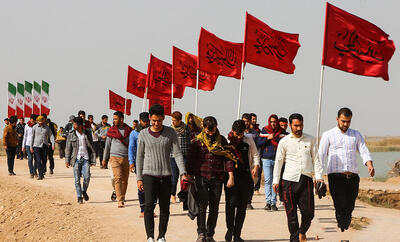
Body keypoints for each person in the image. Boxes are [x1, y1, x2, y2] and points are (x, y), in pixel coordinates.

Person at [136, 104, 188, 242]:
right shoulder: (143, 134)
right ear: (150, 119)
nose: (156, 123)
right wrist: (139, 178)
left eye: (159, 120)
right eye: (153, 120)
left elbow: (177, 153)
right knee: (148, 205)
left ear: (163, 118)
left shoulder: (170, 133)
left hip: (165, 175)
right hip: (148, 175)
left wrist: (183, 172)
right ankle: (150, 236)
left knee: (165, 208)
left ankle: (161, 236)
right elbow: (139, 156)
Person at [319, 107, 375, 232]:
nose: (345, 124)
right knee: (340, 203)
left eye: (348, 121)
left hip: (353, 177)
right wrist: (319, 176)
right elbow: (321, 156)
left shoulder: (356, 134)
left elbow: (363, 150)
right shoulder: (328, 135)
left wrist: (369, 164)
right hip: (336, 176)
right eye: (343, 121)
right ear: (337, 119)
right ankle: (342, 226)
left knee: (350, 205)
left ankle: (345, 222)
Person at [273, 113, 323, 242]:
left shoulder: (310, 139)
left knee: (309, 213)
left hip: (306, 180)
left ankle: (302, 231)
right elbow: (278, 162)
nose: (298, 128)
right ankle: (294, 239)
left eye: (300, 125)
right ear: (290, 125)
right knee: (291, 215)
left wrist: (319, 178)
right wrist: (275, 181)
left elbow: (316, 159)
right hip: (288, 181)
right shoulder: (284, 141)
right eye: (296, 125)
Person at [187, 116, 235, 242]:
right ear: (203, 128)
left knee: (215, 207)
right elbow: (191, 160)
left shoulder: (222, 141)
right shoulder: (197, 142)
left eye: (212, 130)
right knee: (202, 206)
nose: (210, 133)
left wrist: (230, 176)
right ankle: (201, 233)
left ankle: (210, 234)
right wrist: (188, 177)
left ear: (216, 127)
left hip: (218, 177)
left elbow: (228, 158)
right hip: (201, 176)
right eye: (208, 131)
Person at [225, 120, 260, 242]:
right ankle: (230, 230)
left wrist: (256, 166)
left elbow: (255, 155)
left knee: (242, 207)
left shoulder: (248, 140)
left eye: (241, 134)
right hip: (231, 178)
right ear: (232, 131)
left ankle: (237, 234)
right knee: (230, 204)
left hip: (245, 177)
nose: (239, 136)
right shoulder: (227, 141)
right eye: (237, 134)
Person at [102, 111, 132, 208]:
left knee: (125, 180)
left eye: (115, 119)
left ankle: (122, 196)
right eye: (113, 119)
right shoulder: (111, 131)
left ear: (121, 119)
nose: (114, 121)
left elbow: (132, 146)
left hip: (126, 158)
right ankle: (119, 199)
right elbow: (107, 145)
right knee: (117, 178)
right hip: (114, 157)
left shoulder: (129, 131)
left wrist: (133, 160)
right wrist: (104, 159)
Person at [257, 114, 285, 211]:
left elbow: (284, 144)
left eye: (274, 122)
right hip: (266, 159)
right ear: (269, 122)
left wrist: (275, 138)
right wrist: (267, 138)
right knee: (268, 180)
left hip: (277, 159)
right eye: (271, 122)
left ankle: (274, 202)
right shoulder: (265, 130)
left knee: (275, 181)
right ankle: (268, 202)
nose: (273, 123)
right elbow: (259, 143)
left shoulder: (281, 132)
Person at [65, 117, 96, 204]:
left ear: (80, 125)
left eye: (75, 124)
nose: (73, 126)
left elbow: (92, 147)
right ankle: (79, 196)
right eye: (73, 124)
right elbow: (68, 148)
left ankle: (84, 191)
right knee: (77, 180)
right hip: (76, 159)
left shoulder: (87, 133)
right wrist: (67, 160)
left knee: (87, 177)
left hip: (86, 158)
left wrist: (93, 160)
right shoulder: (71, 134)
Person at [129, 112, 151, 217]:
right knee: (141, 186)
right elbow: (131, 148)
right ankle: (143, 209)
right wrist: (131, 162)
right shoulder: (134, 133)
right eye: (144, 121)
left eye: (148, 121)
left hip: (151, 162)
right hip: (139, 162)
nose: (146, 123)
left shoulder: (153, 131)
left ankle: (150, 209)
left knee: (151, 188)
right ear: (140, 121)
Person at [170, 111, 190, 204]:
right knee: (174, 177)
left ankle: (183, 197)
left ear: (179, 120)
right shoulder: (170, 129)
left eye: (174, 120)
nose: (173, 122)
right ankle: (172, 195)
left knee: (184, 178)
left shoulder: (186, 128)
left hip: (184, 155)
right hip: (173, 156)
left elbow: (190, 141)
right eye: (172, 120)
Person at [241, 113, 260, 209]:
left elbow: (256, 148)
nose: (246, 123)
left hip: (251, 160)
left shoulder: (254, 134)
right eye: (244, 121)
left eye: (247, 121)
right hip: (241, 161)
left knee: (250, 181)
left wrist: (256, 164)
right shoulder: (238, 132)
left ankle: (248, 201)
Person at [30, 115, 55, 180]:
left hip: (44, 145)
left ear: (43, 121)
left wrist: (53, 144)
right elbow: (32, 137)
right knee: (38, 159)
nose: (40, 122)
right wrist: (31, 146)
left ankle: (43, 171)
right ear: (37, 121)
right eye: (39, 121)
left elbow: (51, 135)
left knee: (44, 159)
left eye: (41, 121)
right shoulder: (34, 127)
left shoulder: (47, 127)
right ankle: (40, 174)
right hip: (36, 145)